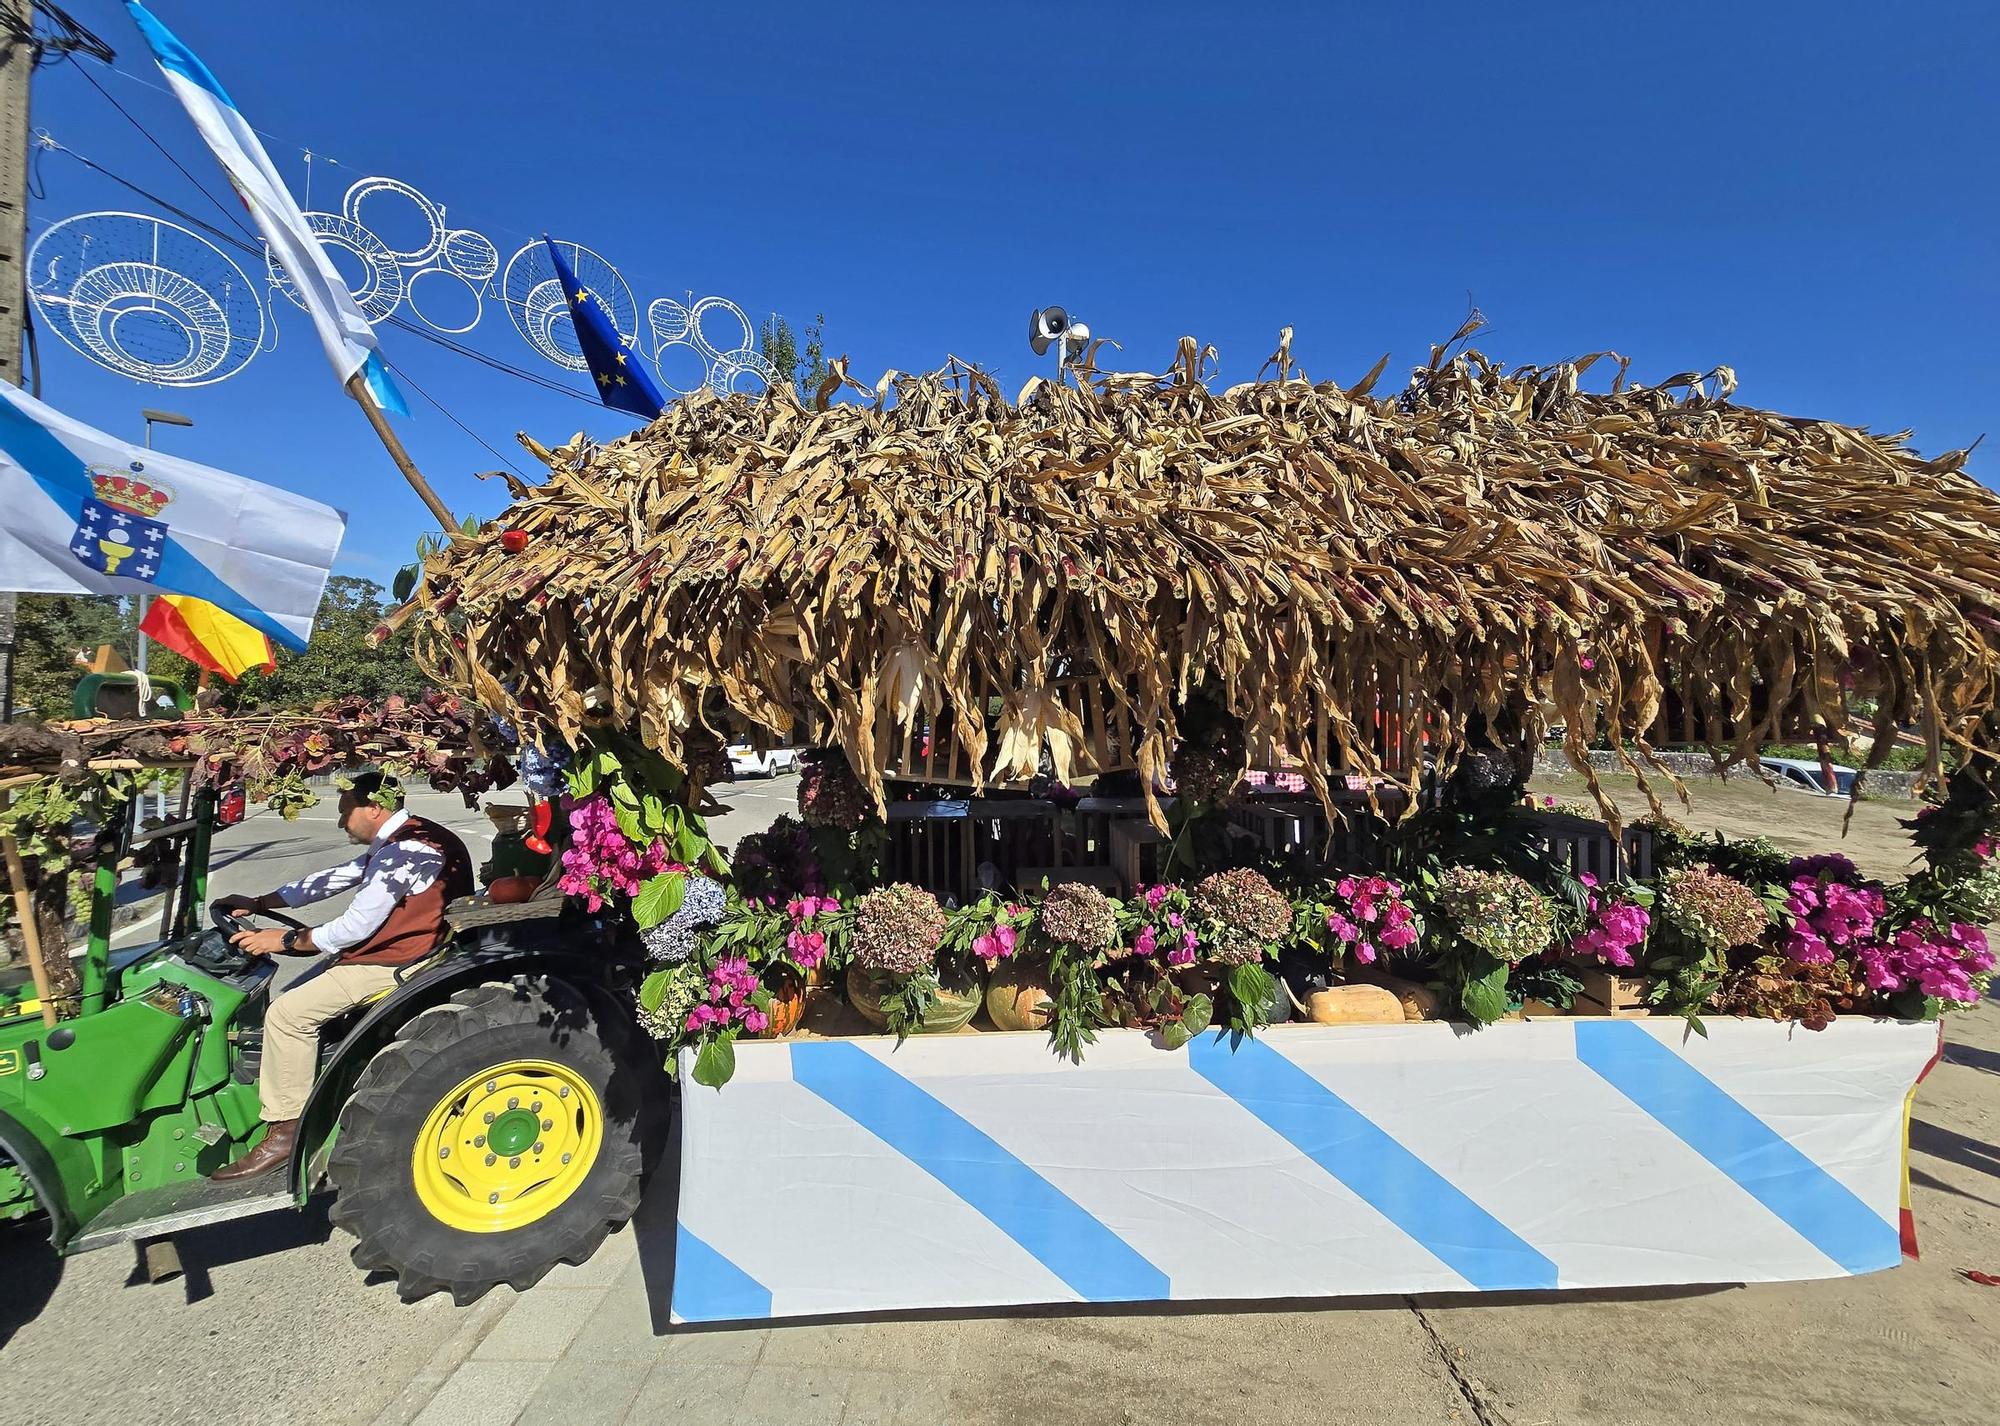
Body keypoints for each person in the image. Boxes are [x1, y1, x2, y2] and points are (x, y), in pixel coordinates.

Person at [208, 771, 472, 1182]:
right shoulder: (400, 839)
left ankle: (285, 1128)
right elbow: (334, 879)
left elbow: (354, 928)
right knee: (303, 990)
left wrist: (287, 940)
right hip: (394, 952)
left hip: (396, 963)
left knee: (287, 1014)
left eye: (345, 811)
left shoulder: (408, 849)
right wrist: (260, 901)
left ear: (373, 808)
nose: (340, 821)